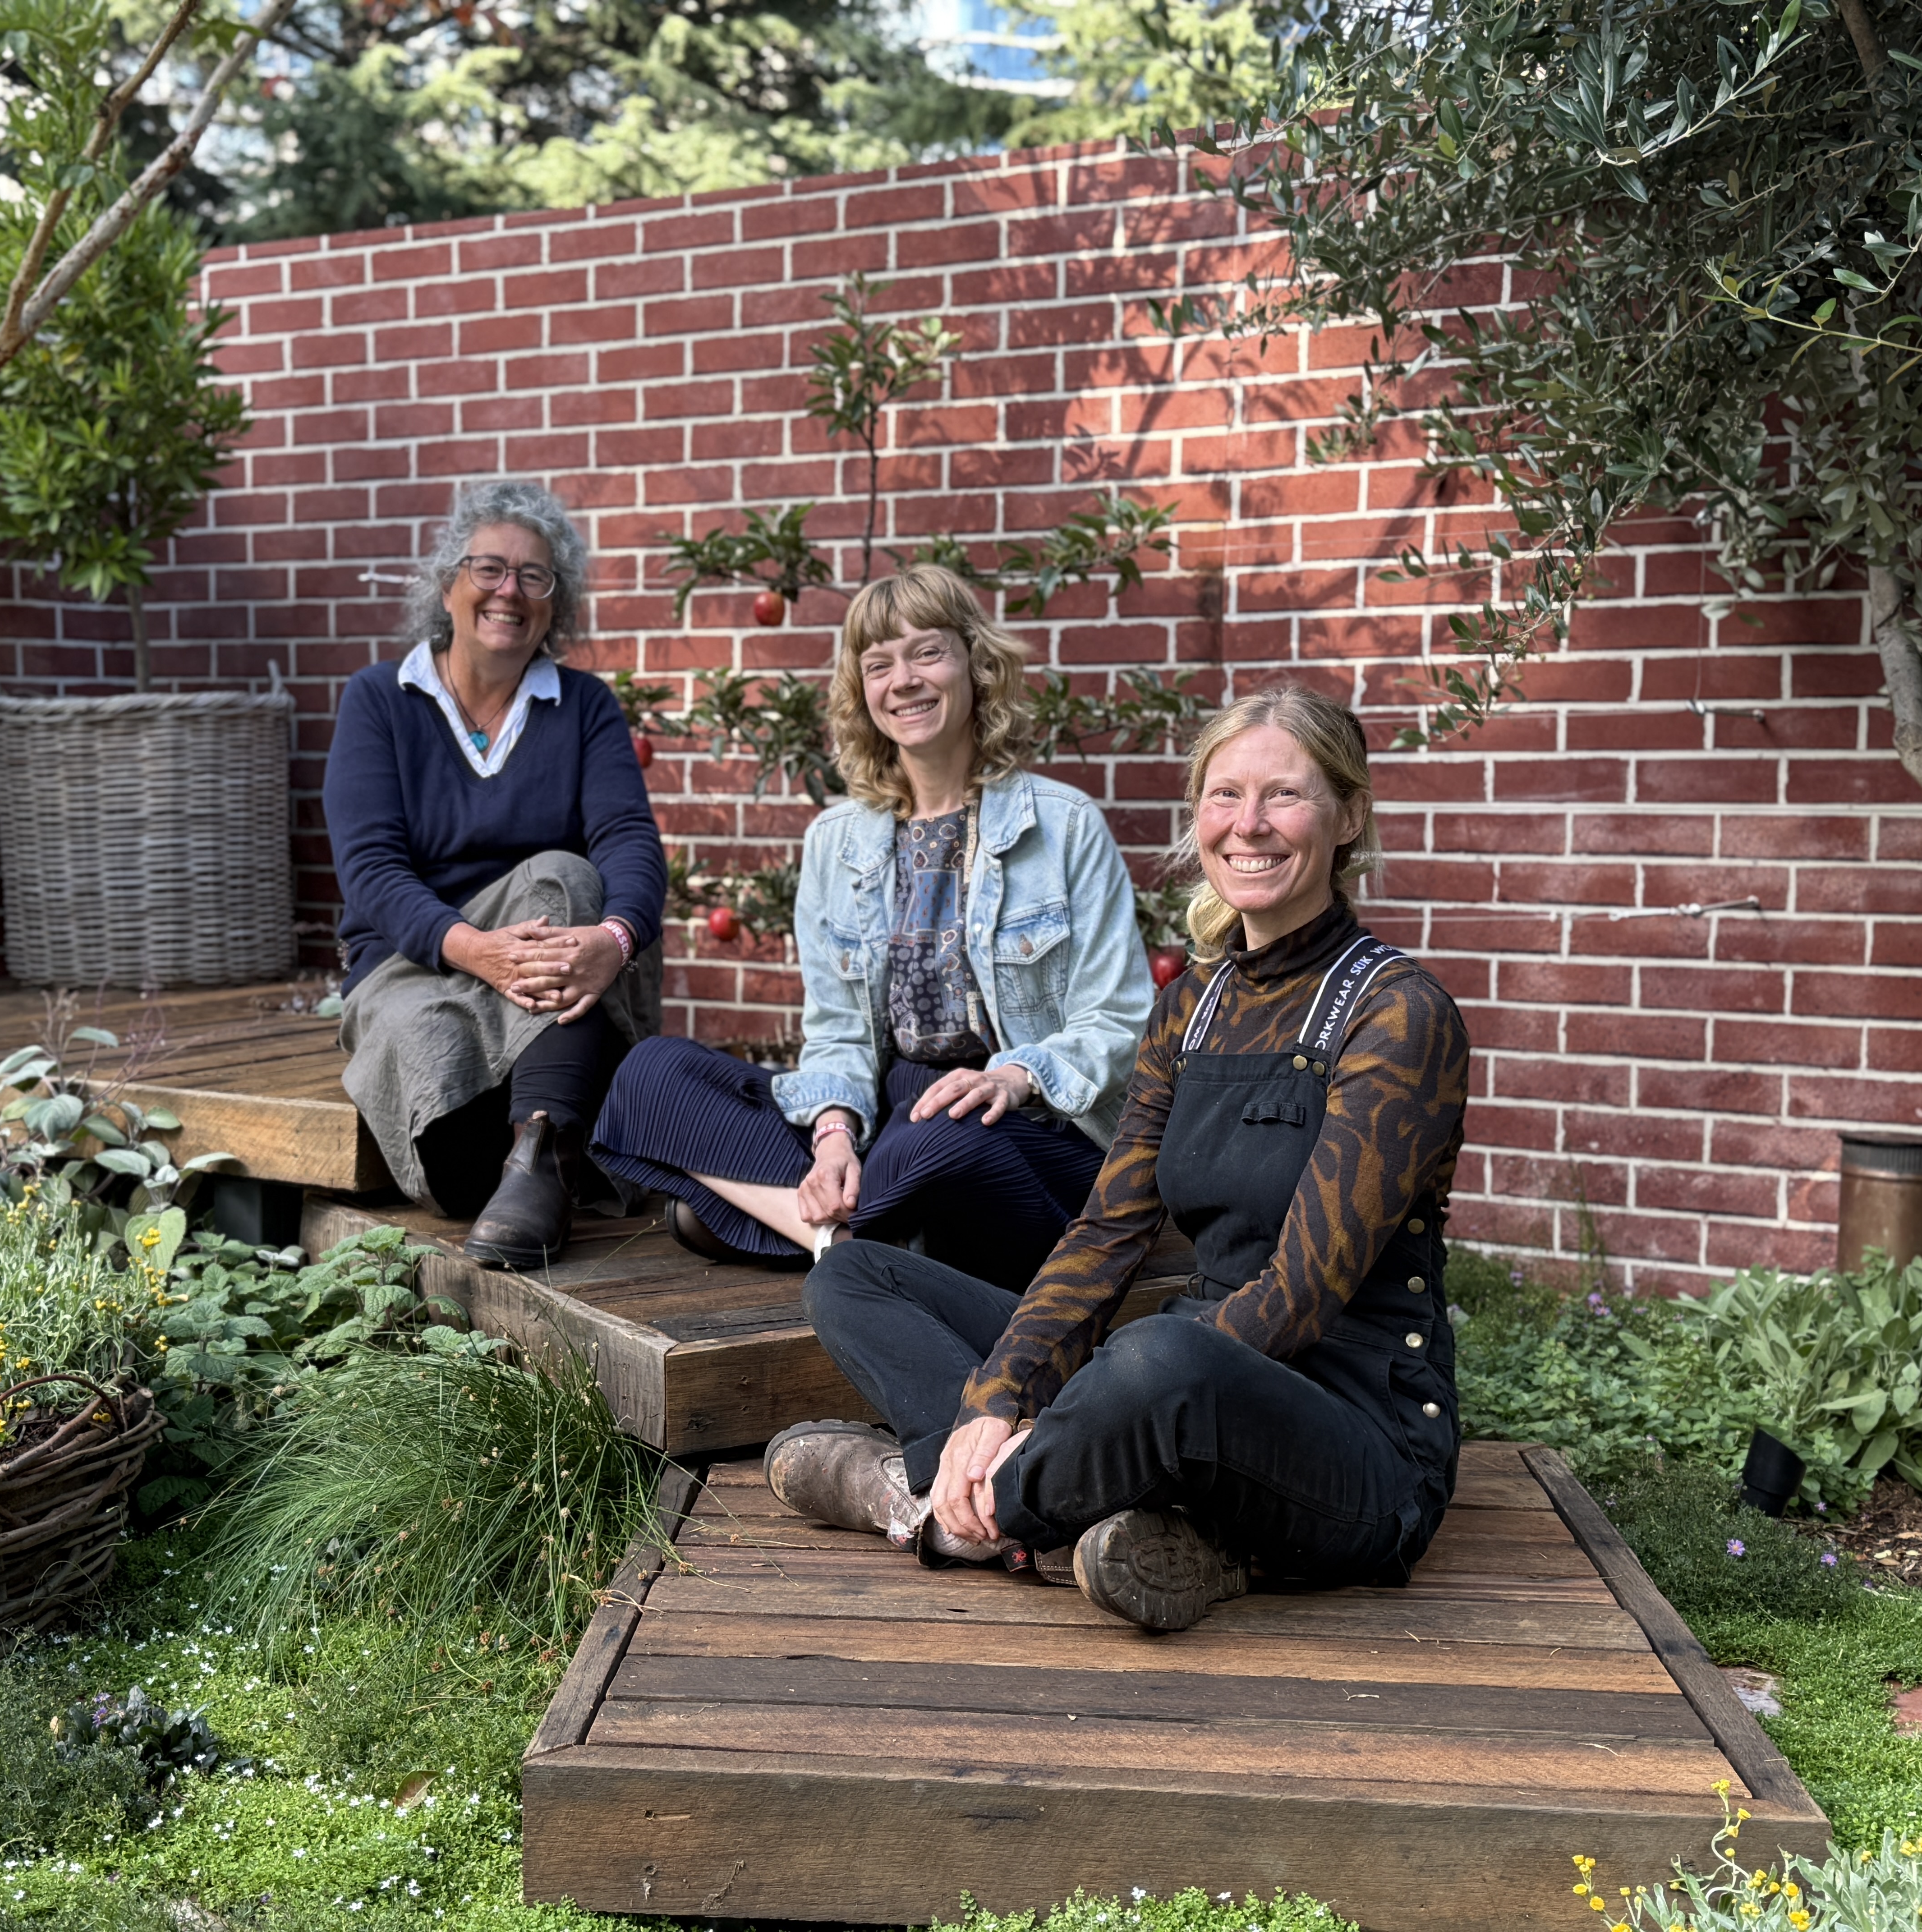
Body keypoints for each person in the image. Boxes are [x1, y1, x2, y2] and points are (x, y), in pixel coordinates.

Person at [762, 683, 1470, 1635]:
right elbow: (1107, 1233)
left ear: (1348, 816)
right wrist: (1000, 1398)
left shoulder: (1396, 1014)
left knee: (1157, 1355)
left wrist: (1083, 1406)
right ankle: (1095, 1503)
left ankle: (929, 1504)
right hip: (1186, 1384)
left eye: (1285, 796)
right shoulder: (1191, 1010)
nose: (1249, 825)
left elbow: (1301, 1295)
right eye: (1225, 795)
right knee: (855, 1275)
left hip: (1356, 1444)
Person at [591, 565, 1150, 1292]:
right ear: (862, 691)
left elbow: (1119, 1020)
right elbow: (838, 1034)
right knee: (651, 1074)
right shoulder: (837, 841)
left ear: (975, 664)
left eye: (927, 653)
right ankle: (843, 1238)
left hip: (1026, 1130)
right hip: (886, 1118)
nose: (904, 681)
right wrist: (832, 1140)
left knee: (941, 1145)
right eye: (879, 665)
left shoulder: (1064, 826)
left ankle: (767, 1215)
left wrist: (1012, 1078)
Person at [326, 479, 667, 1270]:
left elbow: (629, 840)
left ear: (555, 604)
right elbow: (371, 869)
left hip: (549, 951)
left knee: (564, 875)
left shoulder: (583, 706)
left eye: (533, 576)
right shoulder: (379, 699)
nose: (509, 591)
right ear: (447, 585)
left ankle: (539, 1151)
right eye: (489, 568)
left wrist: (618, 939)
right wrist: (476, 950)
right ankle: (544, 1150)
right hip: (415, 960)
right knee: (421, 1046)